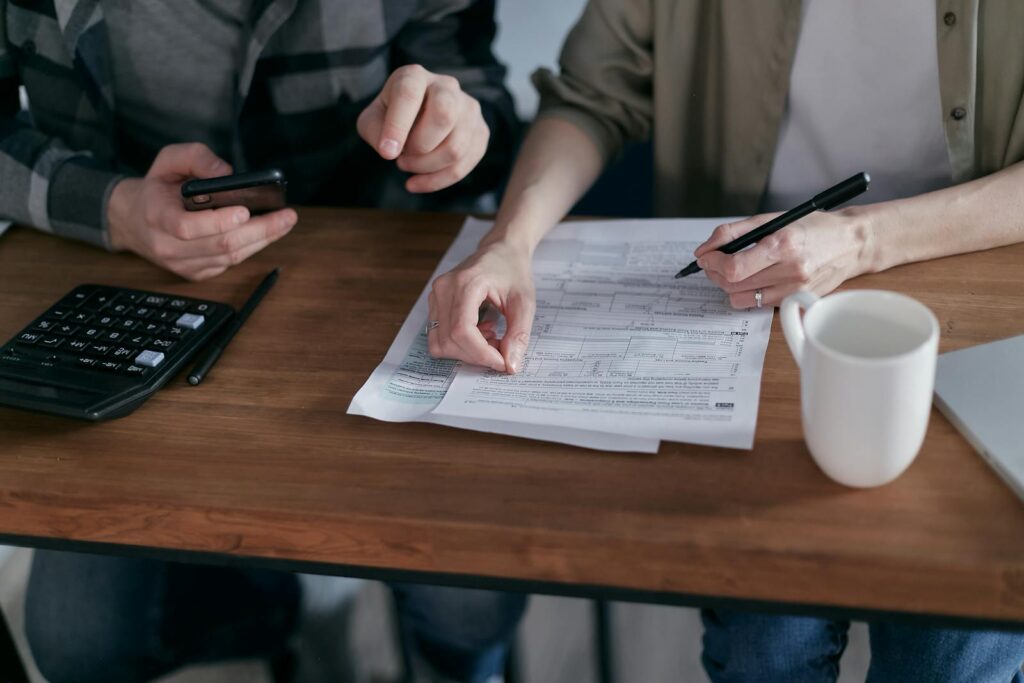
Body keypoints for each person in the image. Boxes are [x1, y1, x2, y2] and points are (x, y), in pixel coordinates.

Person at [426, 0, 1024, 680]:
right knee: (761, 647)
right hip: (746, 307)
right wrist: (510, 240)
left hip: (982, 301)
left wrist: (864, 237)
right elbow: (592, 94)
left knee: (948, 653)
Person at [0, 1, 525, 681]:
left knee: (470, 603)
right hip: (128, 289)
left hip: (378, 279)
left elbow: (482, 97)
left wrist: (461, 128)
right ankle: (291, 607)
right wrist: (113, 207)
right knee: (79, 637)